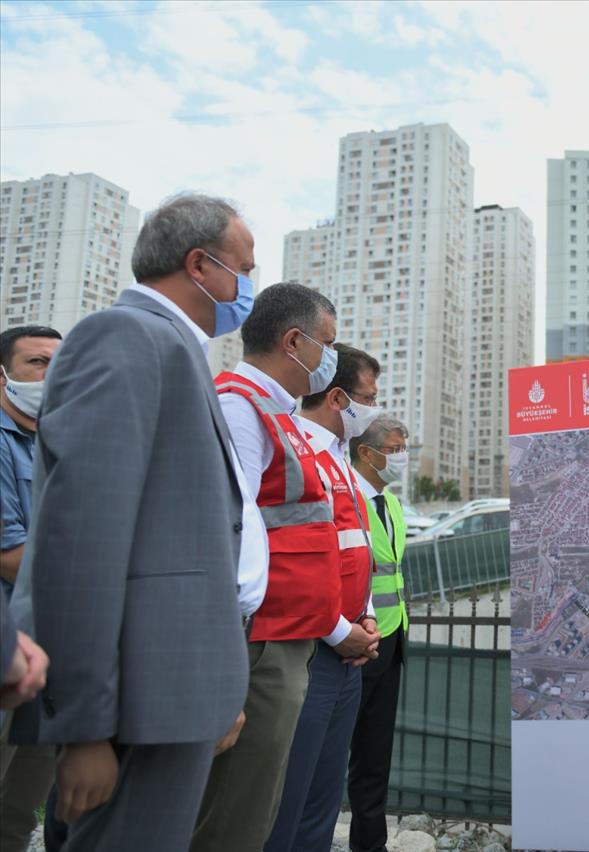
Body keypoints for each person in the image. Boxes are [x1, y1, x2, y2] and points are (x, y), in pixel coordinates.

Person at [6, 193, 254, 850]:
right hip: (131, 713)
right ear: (200, 265)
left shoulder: (172, 345)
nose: (248, 288)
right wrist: (82, 728)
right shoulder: (124, 336)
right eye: (244, 268)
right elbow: (80, 541)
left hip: (169, 704)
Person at [193, 284, 378, 852]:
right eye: (326, 344)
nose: (329, 357)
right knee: (237, 819)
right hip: (261, 640)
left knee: (263, 808)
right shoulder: (236, 404)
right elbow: (226, 536)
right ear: (293, 341)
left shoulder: (273, 414)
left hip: (289, 638)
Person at [265, 344, 381, 852]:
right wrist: (340, 632)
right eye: (368, 398)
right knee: (283, 802)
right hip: (313, 649)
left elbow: (356, 549)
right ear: (336, 398)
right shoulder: (295, 452)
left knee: (322, 801)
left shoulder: (341, 461)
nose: (375, 410)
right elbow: (287, 559)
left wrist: (367, 617)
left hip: (349, 652)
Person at [0, 324, 61, 852]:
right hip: (8, 655)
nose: (51, 375)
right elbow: (12, 559)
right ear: (3, 375)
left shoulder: (60, 443)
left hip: (52, 655)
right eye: (38, 363)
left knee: (20, 814)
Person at [347, 414, 411, 852]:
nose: (401, 458)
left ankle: (369, 845)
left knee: (374, 757)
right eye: (394, 449)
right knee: (332, 754)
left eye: (405, 449)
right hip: (354, 643)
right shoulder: (348, 497)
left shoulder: (391, 504)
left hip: (392, 642)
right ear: (366, 453)